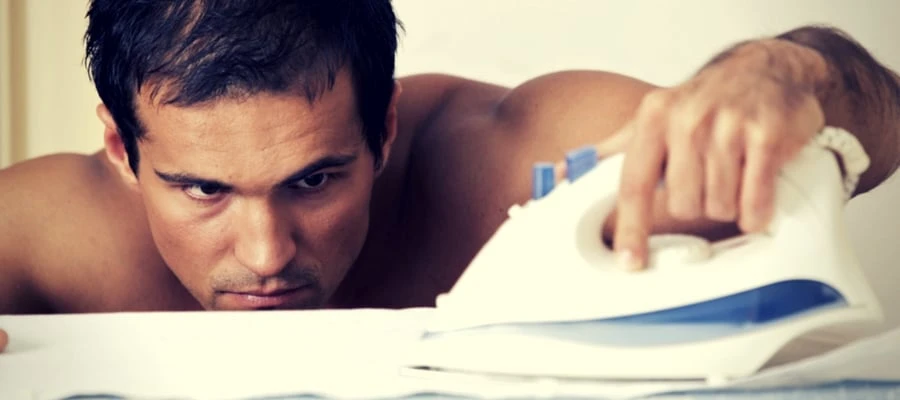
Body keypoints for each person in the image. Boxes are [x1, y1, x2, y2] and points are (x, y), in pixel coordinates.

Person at [0, 0, 898, 340]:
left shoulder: (500, 160)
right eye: (204, 189)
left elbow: (879, 141)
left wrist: (790, 72)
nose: (267, 254)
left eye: (315, 179)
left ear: (383, 126)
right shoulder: (55, 238)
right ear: (121, 149)